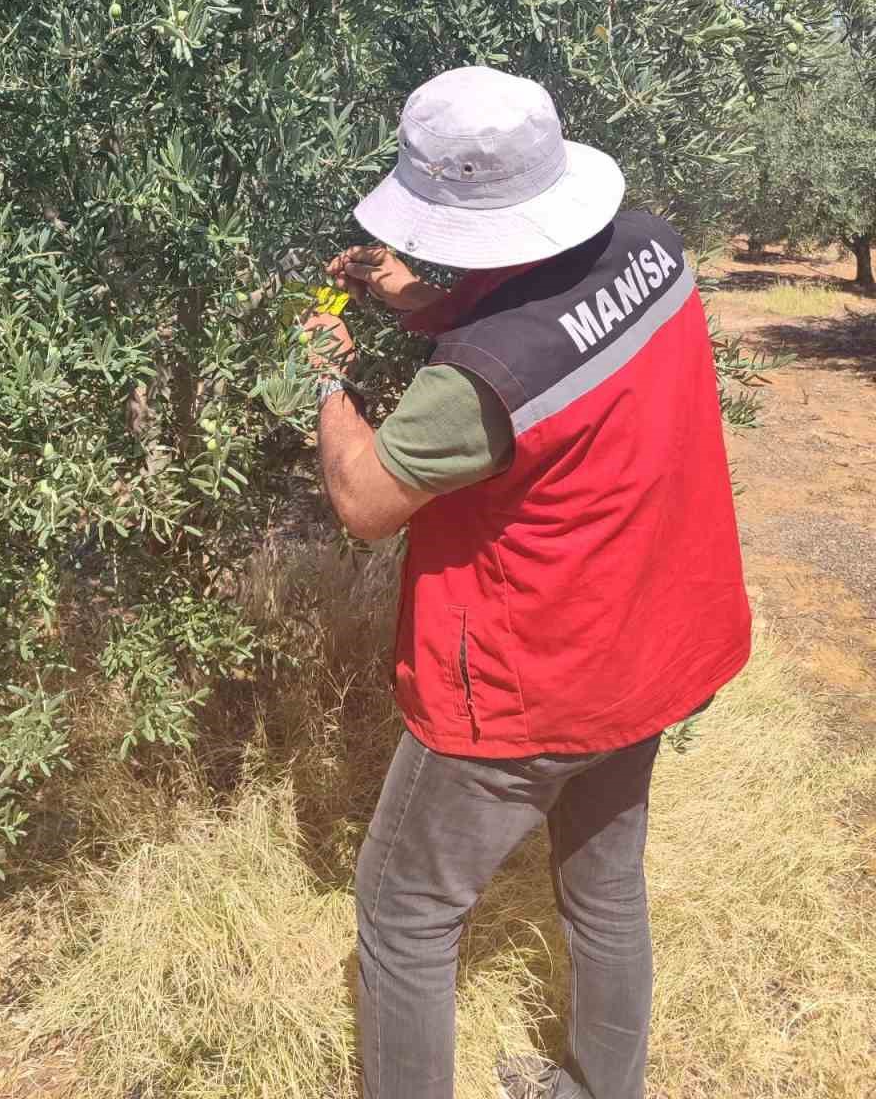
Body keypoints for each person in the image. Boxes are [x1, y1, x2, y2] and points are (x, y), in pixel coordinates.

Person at [301, 67, 752, 1099]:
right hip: (646, 646)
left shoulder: (479, 377)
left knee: (404, 909)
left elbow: (367, 501)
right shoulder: (651, 244)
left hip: (527, 680)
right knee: (603, 885)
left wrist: (325, 376)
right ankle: (603, 1088)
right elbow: (554, 311)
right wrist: (410, 298)